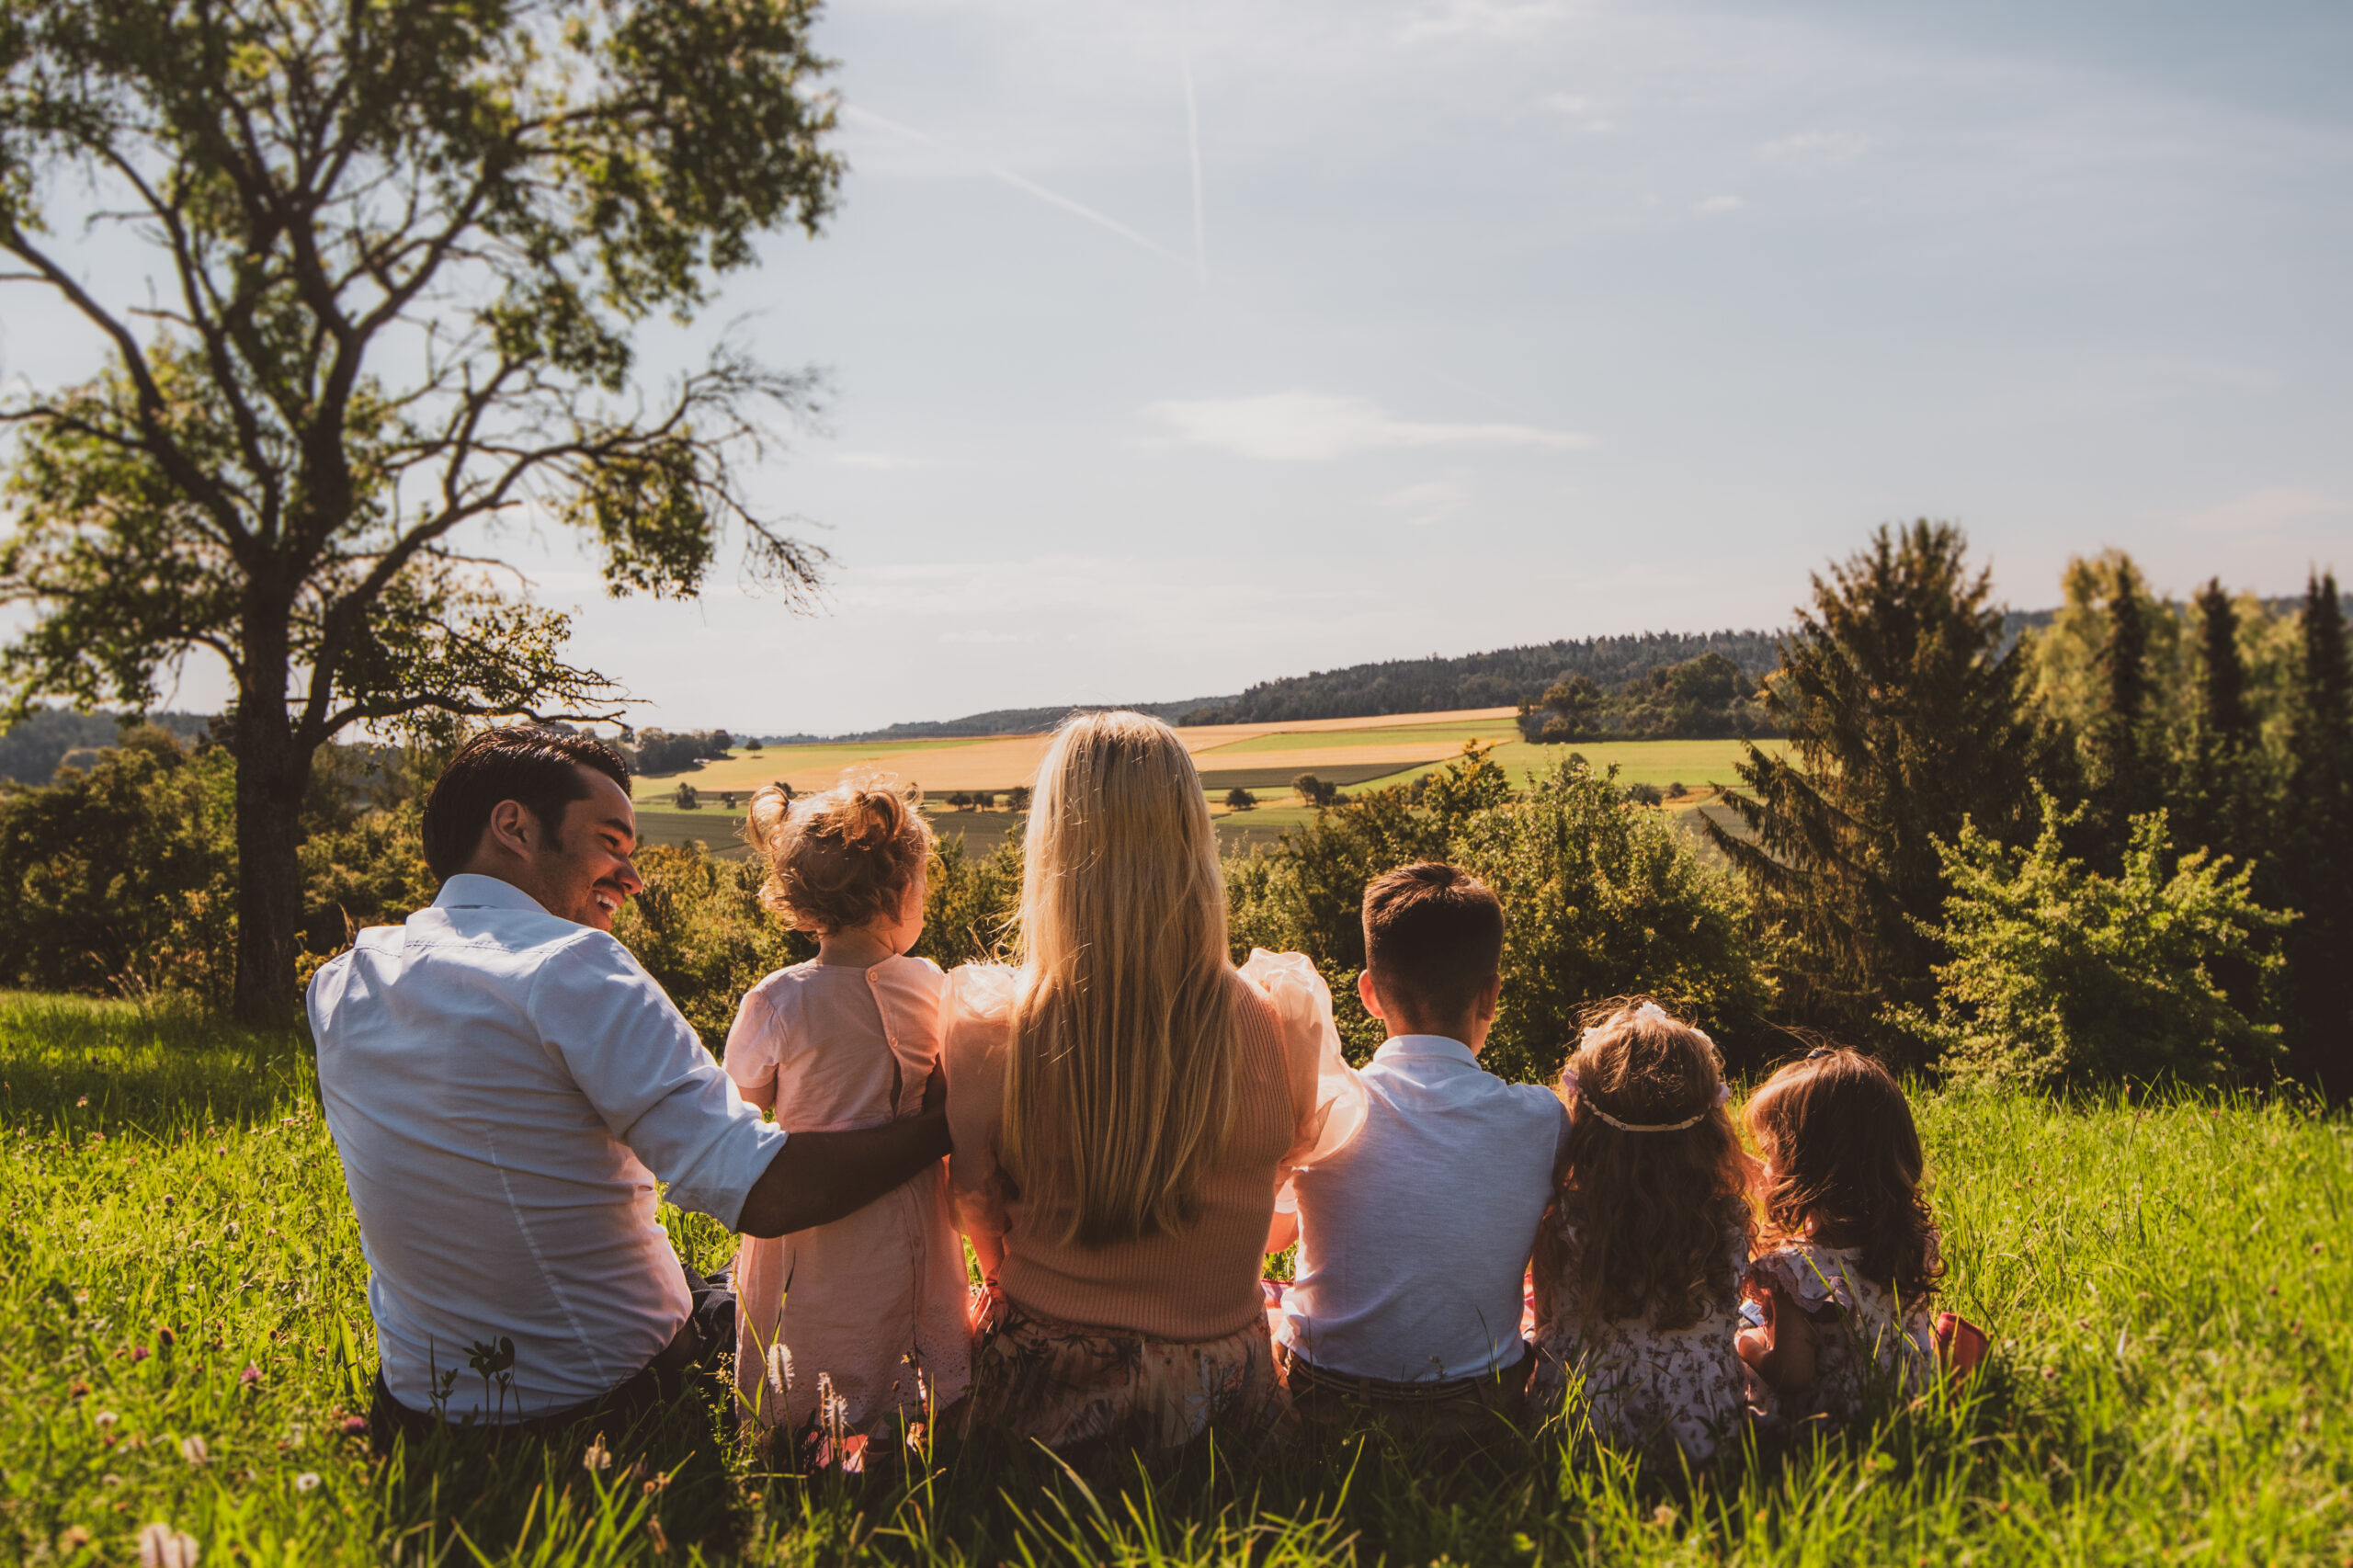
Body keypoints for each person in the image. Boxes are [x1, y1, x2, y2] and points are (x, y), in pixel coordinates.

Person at [308, 728, 951, 1440]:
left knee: (715, 1278)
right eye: (611, 843)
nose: (633, 877)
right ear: (514, 827)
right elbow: (766, 1191)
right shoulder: (571, 965)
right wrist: (943, 1125)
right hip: (594, 1401)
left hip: (417, 1401)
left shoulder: (340, 982)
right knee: (783, 1300)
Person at [941, 710, 1365, 1452]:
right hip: (1221, 1388)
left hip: (1042, 1378)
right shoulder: (1278, 1019)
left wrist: (1011, 1281)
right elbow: (1270, 1188)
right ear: (1192, 840)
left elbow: (974, 1200)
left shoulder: (994, 1028)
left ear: (1052, 845)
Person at [1266, 862, 1568, 1433]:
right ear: (1491, 997)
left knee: (1271, 1301)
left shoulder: (1320, 1105)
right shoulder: (1541, 1118)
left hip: (1326, 1400)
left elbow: (1274, 1237)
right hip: (1479, 1409)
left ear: (1370, 995)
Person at [722, 782, 968, 1457]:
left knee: (811, 1321)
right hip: (913, 1203)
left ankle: (805, 1431)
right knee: (907, 1312)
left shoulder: (777, 1001)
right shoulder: (933, 987)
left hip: (814, 1217)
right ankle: (910, 1428)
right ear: (899, 894)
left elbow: (739, 1110)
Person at [1527, 999, 1756, 1463]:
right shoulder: (1729, 1218)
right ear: (1708, 1125)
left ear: (1586, 1123)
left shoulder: (1561, 1218)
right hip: (1704, 1427)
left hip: (1581, 1426)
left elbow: (1549, 1316)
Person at [1735, 1047, 1943, 1425]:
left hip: (1832, 1425)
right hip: (1910, 1410)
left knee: (1743, 1325)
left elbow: (1792, 1374)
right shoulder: (1912, 1240)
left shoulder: (1797, 1269)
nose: (1765, 1167)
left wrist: (1746, 1347)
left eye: (1769, 1153)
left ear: (1806, 1169)